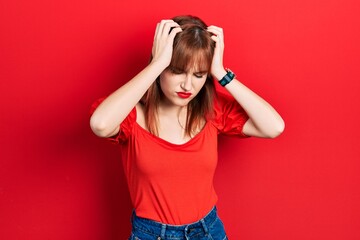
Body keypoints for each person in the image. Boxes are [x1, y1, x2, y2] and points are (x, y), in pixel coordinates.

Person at [90, 15, 284, 240]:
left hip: (208, 231)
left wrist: (221, 73)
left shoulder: (212, 111)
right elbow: (100, 125)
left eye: (198, 74)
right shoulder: (132, 115)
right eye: (177, 71)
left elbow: (274, 127)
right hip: (152, 235)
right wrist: (157, 64)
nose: (187, 85)